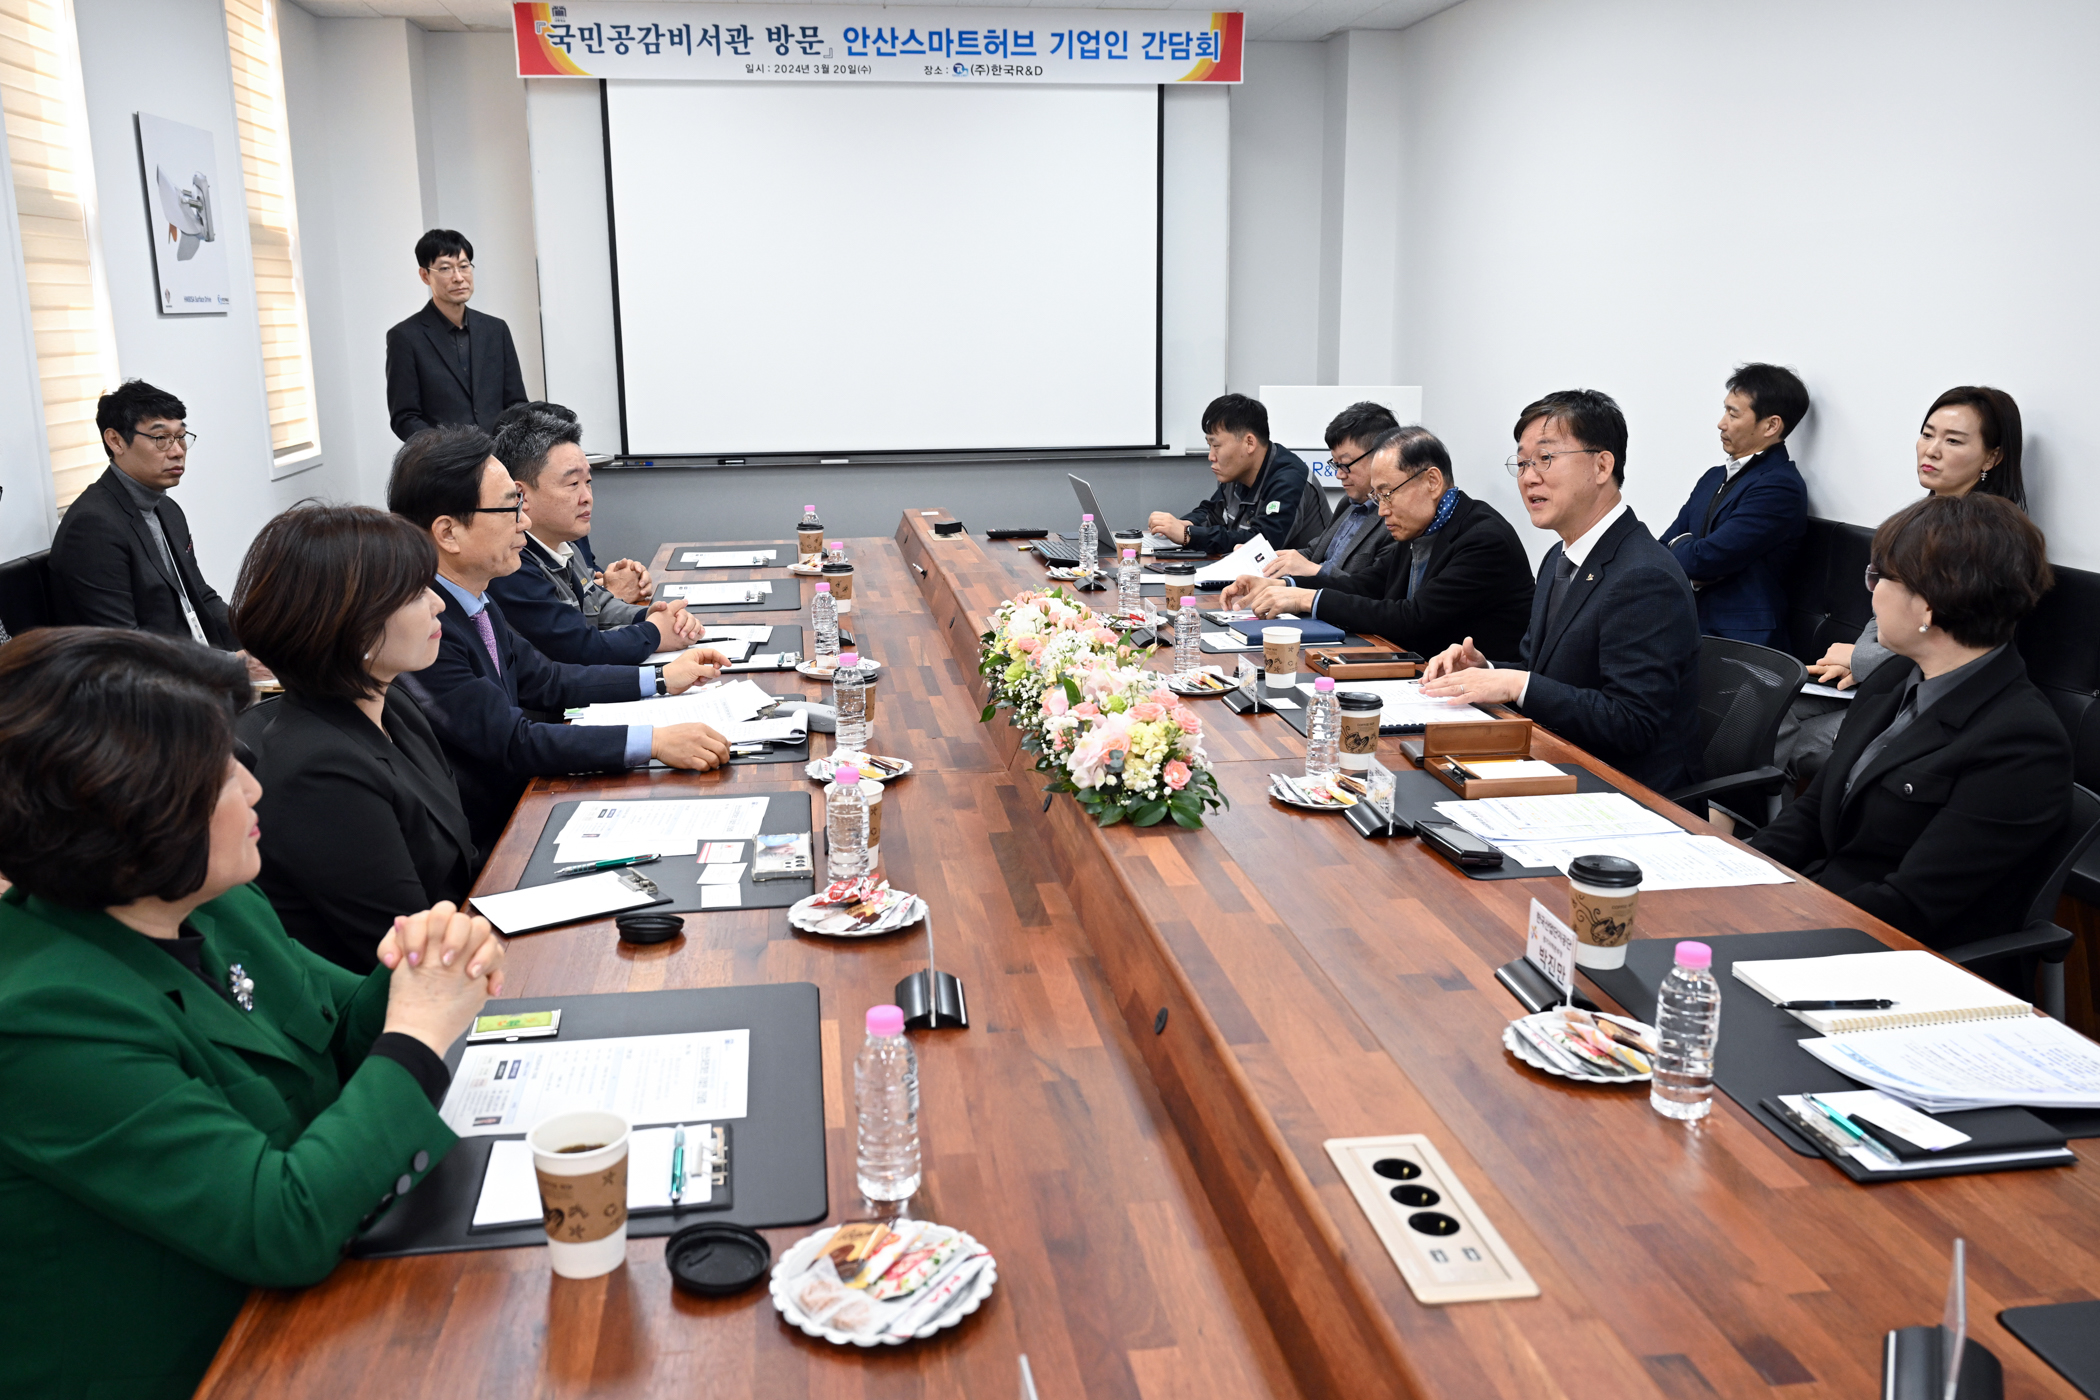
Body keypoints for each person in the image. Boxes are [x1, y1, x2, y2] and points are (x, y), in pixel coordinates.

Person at [0, 627, 505, 1400]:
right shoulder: (39, 1017)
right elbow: (283, 1225)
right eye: (220, 772)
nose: (253, 785)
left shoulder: (216, 900)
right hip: (203, 1363)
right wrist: (418, 1030)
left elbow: (337, 1030)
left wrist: (420, 965)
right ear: (131, 814)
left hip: (314, 1311)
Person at [387, 425, 732, 854]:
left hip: (528, 807)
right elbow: (513, 740)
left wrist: (661, 680)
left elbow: (548, 679)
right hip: (491, 844)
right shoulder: (423, 628)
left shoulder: (474, 599)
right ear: (448, 533)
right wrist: (654, 741)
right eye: (510, 508)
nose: (524, 521)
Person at [1750, 494, 2067, 950]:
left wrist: (1775, 919)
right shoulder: (1897, 676)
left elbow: (1910, 905)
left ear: (1930, 606)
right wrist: (1732, 871)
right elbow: (1808, 814)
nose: (1872, 592)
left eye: (1881, 577)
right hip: (1820, 911)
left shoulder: (2022, 743)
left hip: (1895, 960)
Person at [232, 504, 479, 973]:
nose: (439, 603)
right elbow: (406, 949)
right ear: (352, 622)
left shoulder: (394, 705)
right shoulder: (319, 769)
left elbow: (456, 856)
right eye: (415, 594)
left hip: (458, 943)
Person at [1420, 389, 1702, 793]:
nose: (1529, 477)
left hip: (1625, 792)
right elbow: (1546, 674)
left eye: (1545, 459)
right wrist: (1487, 672)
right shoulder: (1559, 556)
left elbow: (1631, 724)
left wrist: (1517, 686)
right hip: (1555, 760)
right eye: (1521, 463)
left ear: (1602, 465)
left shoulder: (1643, 575)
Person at [1780, 386, 2028, 783]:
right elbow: (1881, 614)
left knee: (1791, 736)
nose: (1931, 450)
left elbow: (1956, 642)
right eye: (1927, 434)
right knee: (1755, 706)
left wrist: (1859, 661)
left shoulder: (1989, 539)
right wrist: (1862, 659)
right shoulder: (1919, 520)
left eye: (1953, 440)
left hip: (1920, 696)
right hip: (1881, 678)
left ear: (1993, 456)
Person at [1221, 426, 1534, 660]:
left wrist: (1303, 600)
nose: (1382, 509)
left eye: (1387, 493)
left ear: (1432, 481)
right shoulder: (1420, 526)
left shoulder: (1483, 539)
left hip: (1483, 703)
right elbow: (1365, 584)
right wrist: (1284, 586)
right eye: (1377, 496)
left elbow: (1411, 619)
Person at [486, 401, 702, 665]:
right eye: (573, 484)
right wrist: (654, 632)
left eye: (588, 482)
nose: (587, 497)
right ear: (521, 495)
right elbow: (579, 648)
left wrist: (653, 616)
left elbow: (598, 604)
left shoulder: (565, 544)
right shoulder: (511, 565)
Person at [49, 380, 238, 652]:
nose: (177, 451)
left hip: (197, 665)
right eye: (161, 439)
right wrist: (230, 666)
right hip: (144, 683)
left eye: (181, 436)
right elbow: (125, 645)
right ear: (115, 441)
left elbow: (201, 597)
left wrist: (264, 639)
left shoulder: (168, 509)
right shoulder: (92, 526)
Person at [1661, 363, 1810, 647]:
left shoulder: (1780, 486)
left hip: (1740, 642)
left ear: (1771, 425)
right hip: (1686, 625)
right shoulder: (1712, 477)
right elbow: (1661, 547)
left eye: (1733, 413)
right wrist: (1686, 551)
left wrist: (1685, 550)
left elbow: (1703, 560)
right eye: (1725, 410)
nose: (1721, 422)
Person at [384, 229, 529, 440]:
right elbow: (404, 417)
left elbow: (516, 404)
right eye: (445, 269)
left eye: (464, 266)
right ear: (425, 275)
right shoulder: (405, 337)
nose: (459, 278)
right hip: (446, 465)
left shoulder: (496, 330)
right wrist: (450, 453)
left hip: (501, 460)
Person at [1147, 393, 1326, 554]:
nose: (1211, 456)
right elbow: (1211, 513)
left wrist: (1188, 535)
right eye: (1209, 446)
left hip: (1301, 585)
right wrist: (1185, 525)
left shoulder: (1290, 479)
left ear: (1249, 443)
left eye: (1216, 445)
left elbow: (1262, 544)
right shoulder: (1237, 471)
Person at [1251, 401, 1401, 587]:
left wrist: (1315, 571)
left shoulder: (1396, 520)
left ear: (1381, 457)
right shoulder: (1348, 503)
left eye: (1346, 464)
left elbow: (1372, 591)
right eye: (1336, 464)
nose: (1339, 474)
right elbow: (1314, 553)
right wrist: (1261, 558)